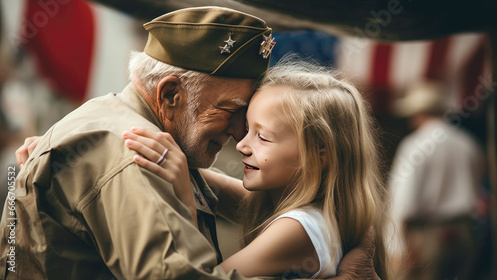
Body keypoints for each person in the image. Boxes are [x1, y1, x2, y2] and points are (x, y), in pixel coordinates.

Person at [6, 6, 379, 280]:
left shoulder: (129, 133)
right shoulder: (135, 152)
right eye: (231, 112)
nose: (238, 135)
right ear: (171, 96)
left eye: (255, 128)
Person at [121, 57, 391, 279]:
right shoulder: (318, 212)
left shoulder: (297, 230)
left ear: (320, 156)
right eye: (248, 129)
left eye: (263, 137)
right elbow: (229, 192)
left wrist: (183, 192)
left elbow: (203, 277)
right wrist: (180, 160)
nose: (241, 144)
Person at [388, 80, 486, 279]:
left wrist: (398, 247)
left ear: (417, 113)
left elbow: (403, 202)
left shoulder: (415, 145)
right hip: (465, 232)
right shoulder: (468, 143)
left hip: (427, 236)